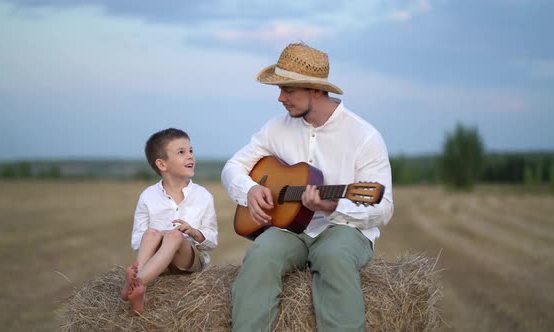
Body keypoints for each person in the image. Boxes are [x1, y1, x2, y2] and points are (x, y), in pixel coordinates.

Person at [221, 42, 394, 331]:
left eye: (287, 90)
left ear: (315, 90)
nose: (280, 98)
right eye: (279, 89)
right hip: (291, 230)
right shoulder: (275, 128)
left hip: (345, 230)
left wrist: (334, 206)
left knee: (333, 256)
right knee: (260, 255)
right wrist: (249, 189)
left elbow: (383, 208)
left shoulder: (364, 137)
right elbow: (232, 167)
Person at [121, 128, 218, 315]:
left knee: (174, 235)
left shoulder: (203, 196)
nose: (190, 156)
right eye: (181, 152)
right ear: (162, 164)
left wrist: (193, 232)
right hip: (158, 261)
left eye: (191, 151)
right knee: (150, 233)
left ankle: (135, 284)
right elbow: (136, 241)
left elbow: (212, 240)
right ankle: (138, 289)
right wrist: (159, 236)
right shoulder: (148, 196)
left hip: (189, 261)